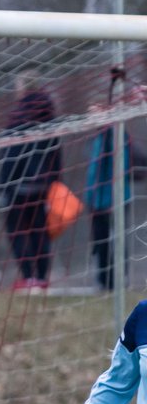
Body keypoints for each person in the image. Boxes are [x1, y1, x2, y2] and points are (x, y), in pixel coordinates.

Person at [0, 68, 63, 291]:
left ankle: (29, 277)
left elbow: (11, 153)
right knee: (39, 230)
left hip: (19, 184)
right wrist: (55, 179)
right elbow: (56, 150)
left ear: (22, 87)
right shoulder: (49, 114)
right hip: (42, 184)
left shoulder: (18, 114)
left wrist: (3, 184)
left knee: (17, 230)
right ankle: (42, 277)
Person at [84, 107, 145, 291]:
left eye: (94, 113)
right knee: (101, 241)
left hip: (113, 199)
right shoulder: (98, 138)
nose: (91, 118)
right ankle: (105, 279)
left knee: (115, 240)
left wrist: (107, 198)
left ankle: (116, 279)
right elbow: (94, 172)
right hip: (98, 200)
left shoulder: (114, 136)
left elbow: (119, 167)